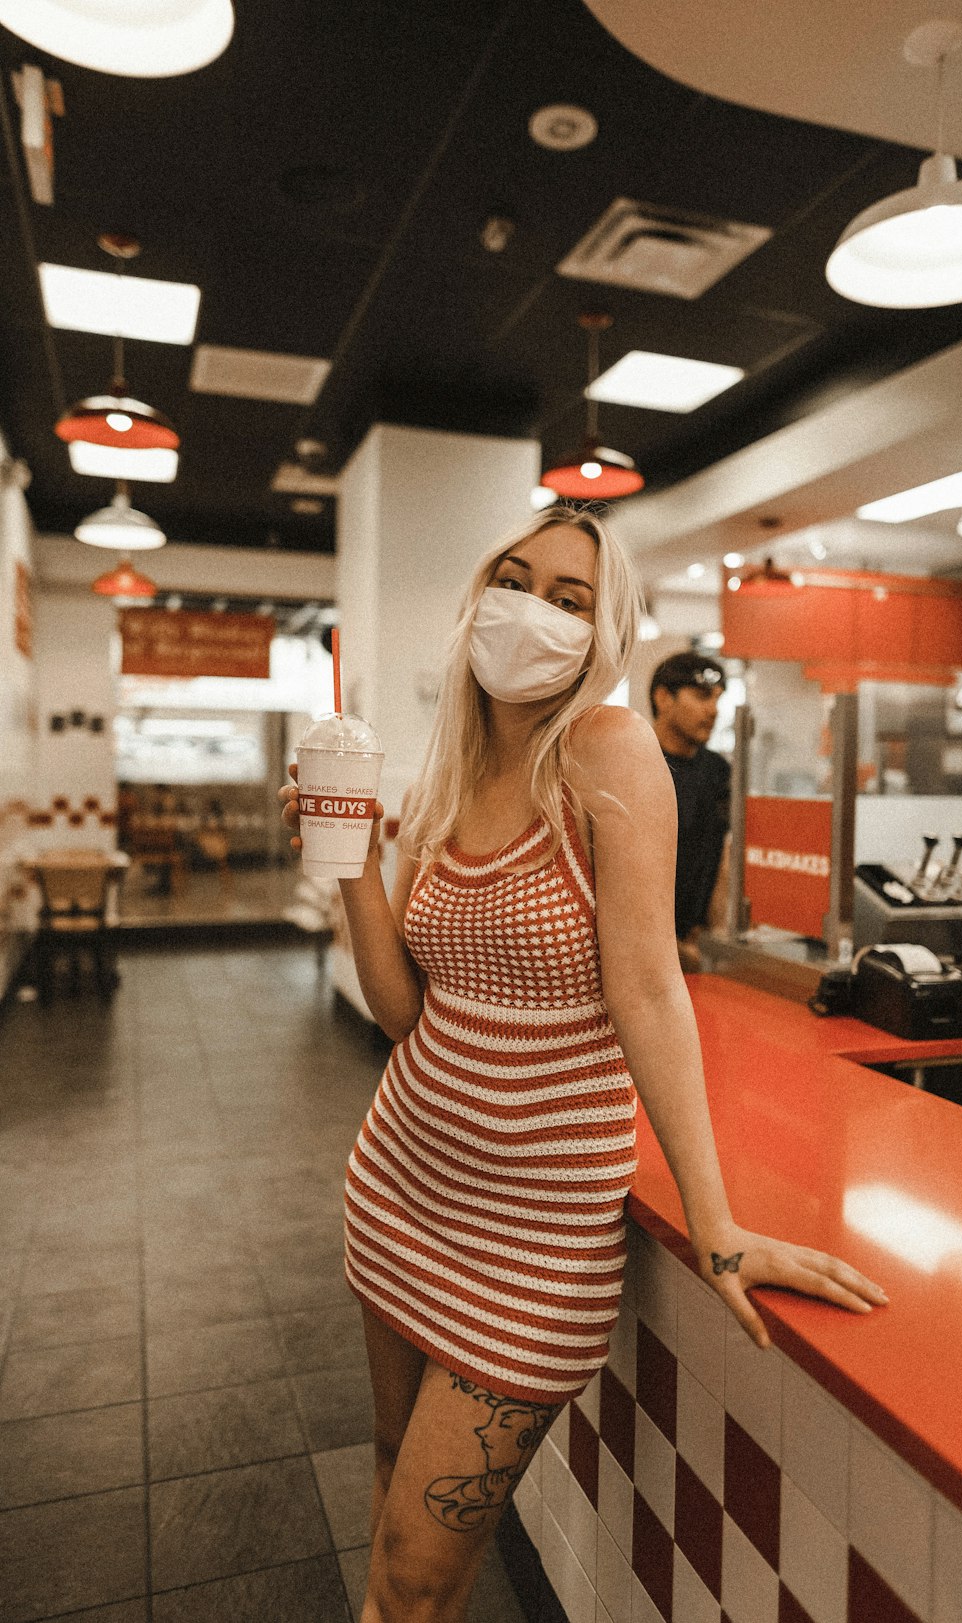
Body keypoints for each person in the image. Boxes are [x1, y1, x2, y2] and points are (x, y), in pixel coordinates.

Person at [279, 506, 887, 1623]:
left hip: (533, 1238)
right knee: (390, 1495)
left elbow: (649, 989)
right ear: (479, 597)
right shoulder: (448, 773)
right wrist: (355, 865)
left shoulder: (607, 752)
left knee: (408, 1579)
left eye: (570, 600)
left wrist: (718, 1224)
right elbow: (405, 1010)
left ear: (604, 637)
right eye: (516, 581)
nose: (534, 613)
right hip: (399, 1188)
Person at [650, 651, 731, 969]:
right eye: (700, 697)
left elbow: (718, 856)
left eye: (716, 699)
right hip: (644, 946)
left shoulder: (717, 771)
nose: (712, 710)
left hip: (695, 947)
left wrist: (717, 935)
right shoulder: (635, 762)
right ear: (663, 698)